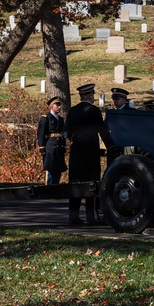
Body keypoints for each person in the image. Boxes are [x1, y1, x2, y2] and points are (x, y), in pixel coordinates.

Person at [64, 83, 116, 226]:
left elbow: (66, 131)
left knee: (75, 183)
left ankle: (73, 216)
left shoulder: (73, 111)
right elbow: (102, 130)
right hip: (90, 152)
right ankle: (92, 216)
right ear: (90, 96)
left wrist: (75, 138)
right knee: (92, 184)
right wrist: (112, 146)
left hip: (76, 152)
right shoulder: (94, 111)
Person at [37, 96, 67, 185]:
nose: (59, 107)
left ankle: (55, 187)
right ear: (51, 106)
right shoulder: (45, 118)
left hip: (59, 147)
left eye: (60, 105)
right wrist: (42, 148)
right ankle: (48, 189)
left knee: (58, 169)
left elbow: (63, 133)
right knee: (49, 168)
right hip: (50, 146)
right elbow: (41, 134)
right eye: (57, 105)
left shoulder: (61, 119)